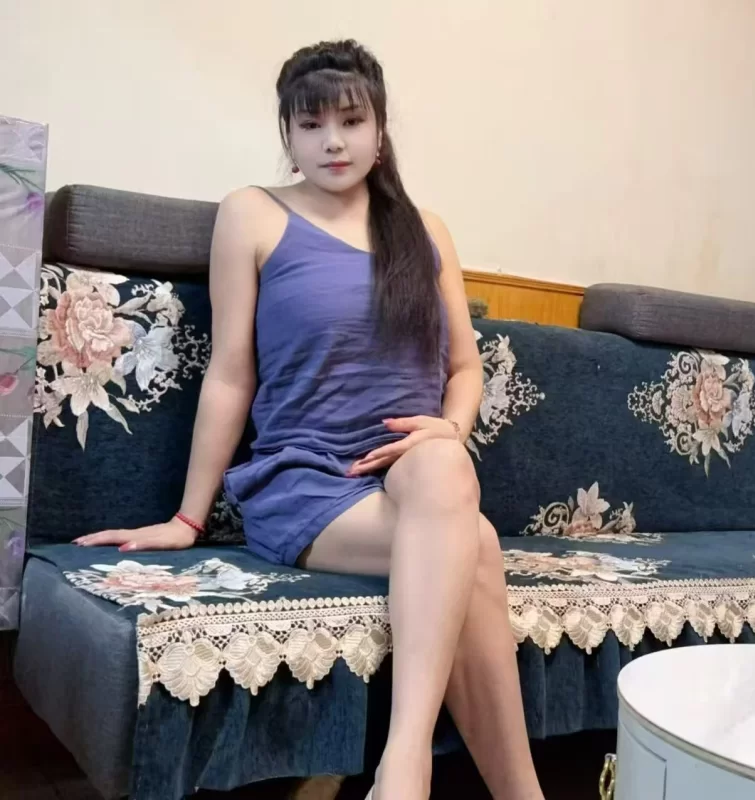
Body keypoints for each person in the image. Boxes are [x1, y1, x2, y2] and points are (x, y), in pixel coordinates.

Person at [75, 39, 546, 800]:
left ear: (380, 130)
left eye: (352, 121)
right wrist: (188, 518)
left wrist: (452, 428)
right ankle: (427, 769)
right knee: (479, 546)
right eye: (311, 124)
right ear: (288, 135)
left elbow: (465, 367)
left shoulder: (426, 231)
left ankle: (404, 770)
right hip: (306, 482)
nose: (333, 141)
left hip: (416, 475)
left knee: (444, 463)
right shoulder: (253, 214)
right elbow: (231, 374)